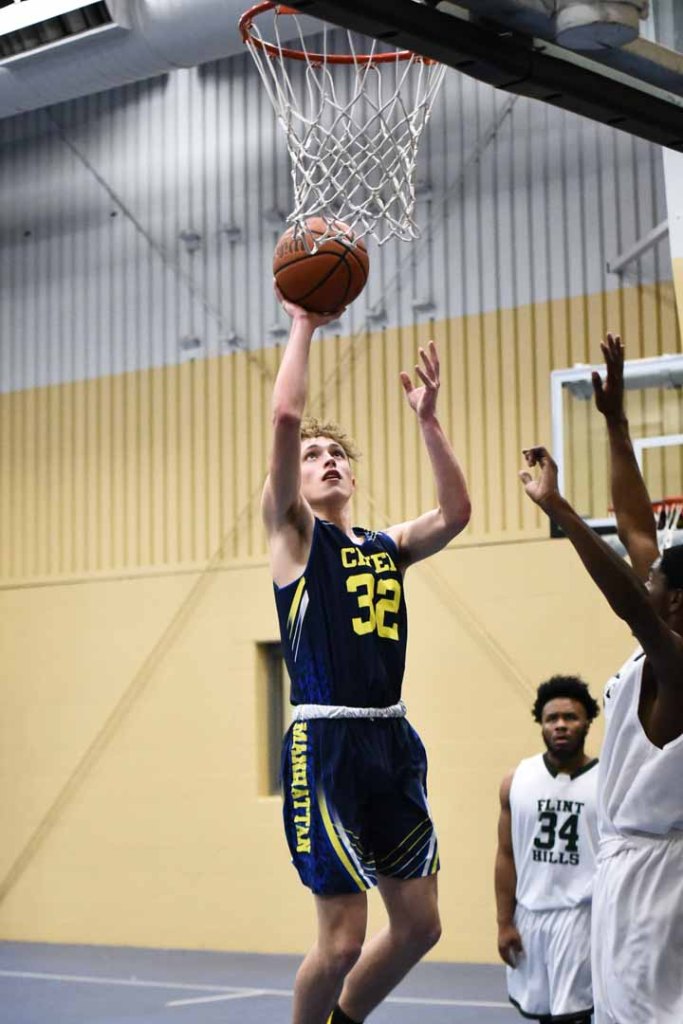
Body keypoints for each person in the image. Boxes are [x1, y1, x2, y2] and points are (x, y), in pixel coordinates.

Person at [261, 288, 471, 1024]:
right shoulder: (294, 535)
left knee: (420, 925)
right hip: (325, 743)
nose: (326, 462)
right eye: (312, 457)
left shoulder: (386, 546)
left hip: (390, 737)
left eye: (337, 455)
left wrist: (429, 422)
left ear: (352, 476)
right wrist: (302, 325)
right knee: (343, 940)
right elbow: (285, 417)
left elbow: (456, 514)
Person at [518, 332, 683, 1024]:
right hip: (629, 868)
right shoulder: (664, 644)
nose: (645, 573)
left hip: (655, 883)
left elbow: (628, 598)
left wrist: (558, 508)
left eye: (655, 577)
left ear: (673, 601)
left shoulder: (676, 660)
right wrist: (615, 423)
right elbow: (636, 527)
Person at [495, 675, 600, 1024]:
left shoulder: (607, 782)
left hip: (582, 918)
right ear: (541, 724)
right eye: (552, 718)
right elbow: (506, 854)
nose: (561, 725)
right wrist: (504, 922)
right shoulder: (516, 781)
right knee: (544, 1015)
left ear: (587, 722)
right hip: (531, 917)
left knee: (575, 1015)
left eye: (571, 717)